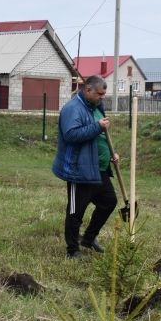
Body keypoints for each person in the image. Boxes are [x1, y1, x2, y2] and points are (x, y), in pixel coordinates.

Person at [52, 75, 119, 260]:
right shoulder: (72, 109)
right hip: (78, 169)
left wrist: (112, 153)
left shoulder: (96, 107)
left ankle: (88, 239)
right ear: (87, 89)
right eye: (99, 94)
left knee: (109, 202)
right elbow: (71, 134)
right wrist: (97, 127)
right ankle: (73, 250)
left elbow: (101, 136)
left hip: (99, 168)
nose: (102, 97)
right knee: (76, 211)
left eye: (104, 95)